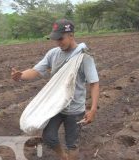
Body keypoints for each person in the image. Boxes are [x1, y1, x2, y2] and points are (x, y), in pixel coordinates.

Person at [11, 19, 100, 160]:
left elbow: (94, 83)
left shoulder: (84, 57)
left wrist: (93, 110)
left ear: (71, 35)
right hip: (56, 106)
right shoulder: (53, 53)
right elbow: (36, 71)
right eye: (55, 39)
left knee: (72, 144)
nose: (58, 42)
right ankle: (63, 156)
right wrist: (21, 75)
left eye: (61, 38)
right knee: (49, 137)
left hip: (75, 110)